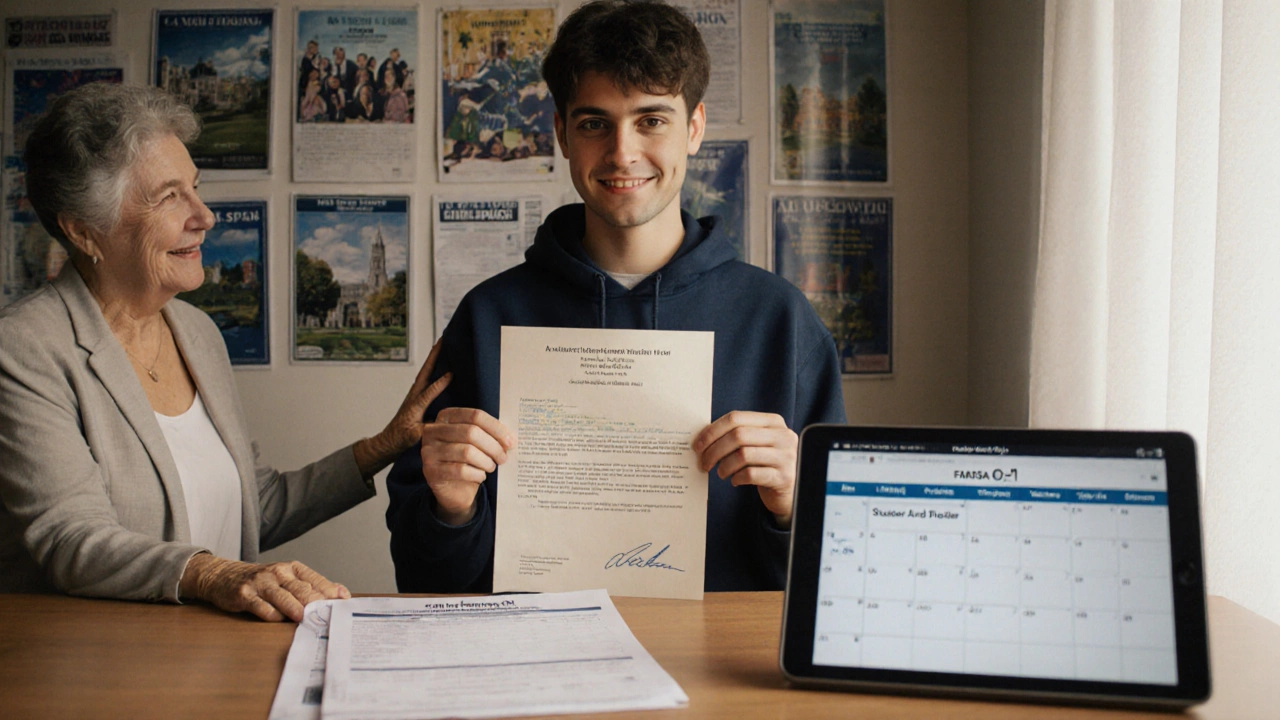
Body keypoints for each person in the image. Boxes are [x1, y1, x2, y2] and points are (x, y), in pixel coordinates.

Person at [385, 0, 845, 594]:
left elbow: (831, 580)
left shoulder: (781, 322)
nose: (622, 152)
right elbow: (421, 579)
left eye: (651, 120)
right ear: (560, 133)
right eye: (594, 123)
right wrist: (450, 510)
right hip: (534, 663)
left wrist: (790, 506)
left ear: (695, 128)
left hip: (716, 671)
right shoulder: (488, 315)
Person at [0, 83, 452, 621]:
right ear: (85, 232)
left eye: (195, 187)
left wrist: (382, 445)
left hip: (208, 661)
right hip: (98, 671)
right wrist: (216, 573)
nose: (205, 215)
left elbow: (253, 507)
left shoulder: (197, 333)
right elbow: (72, 539)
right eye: (169, 197)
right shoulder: (25, 347)